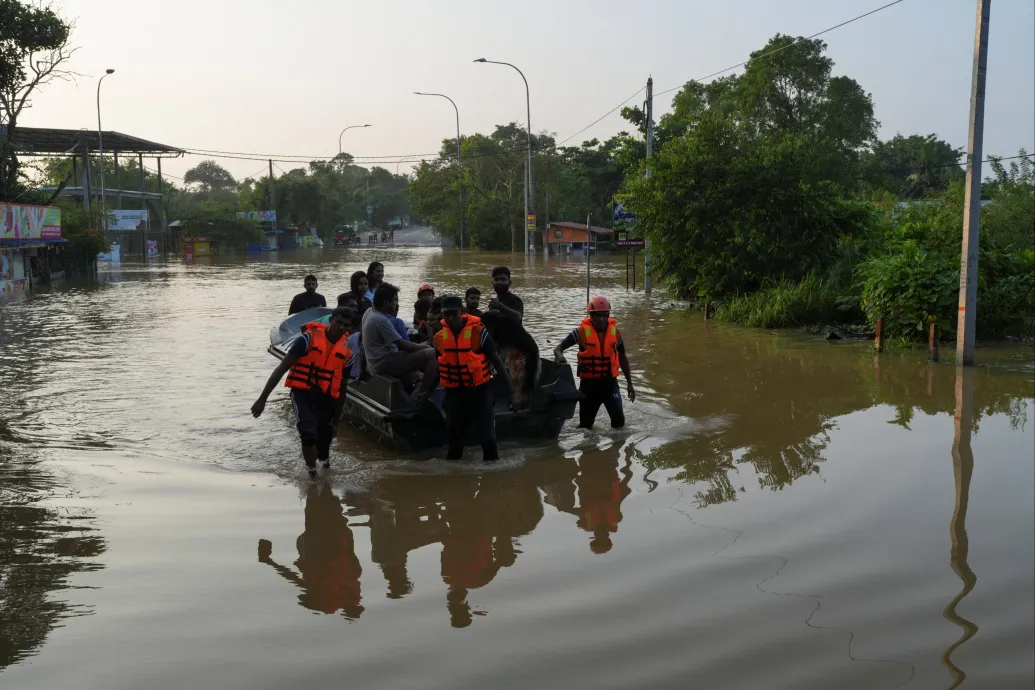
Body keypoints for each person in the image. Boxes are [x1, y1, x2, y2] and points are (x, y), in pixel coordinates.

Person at [252, 307, 355, 478]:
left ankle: (324, 473)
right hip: (302, 393)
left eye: (346, 325)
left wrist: (336, 421)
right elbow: (282, 368)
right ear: (330, 321)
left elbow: (342, 389)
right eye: (338, 323)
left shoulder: (347, 355)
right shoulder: (307, 339)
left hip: (326, 398)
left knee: (324, 444)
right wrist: (262, 399)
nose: (341, 328)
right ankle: (311, 475)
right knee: (308, 432)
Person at [434, 296, 516, 462]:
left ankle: (491, 479)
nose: (450, 318)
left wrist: (512, 393)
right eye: (446, 314)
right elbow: (440, 368)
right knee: (454, 444)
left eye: (453, 313)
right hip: (455, 392)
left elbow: (497, 362)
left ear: (461, 312)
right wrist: (424, 393)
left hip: (480, 390)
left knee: (488, 439)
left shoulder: (478, 332)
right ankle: (456, 481)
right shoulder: (440, 338)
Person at [552, 296, 636, 429]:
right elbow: (558, 348)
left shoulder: (616, 334)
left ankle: (615, 448)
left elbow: (623, 357)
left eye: (604, 316)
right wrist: (559, 356)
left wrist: (630, 384)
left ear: (608, 315)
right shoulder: (580, 333)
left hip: (610, 385)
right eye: (598, 316)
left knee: (619, 423)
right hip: (589, 387)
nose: (601, 320)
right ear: (591, 316)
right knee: (585, 427)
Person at [361, 283, 439, 404]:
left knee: (421, 377)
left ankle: (412, 401)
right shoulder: (380, 320)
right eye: (395, 300)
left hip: (375, 364)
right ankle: (423, 396)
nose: (397, 303)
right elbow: (405, 346)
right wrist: (425, 346)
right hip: (384, 363)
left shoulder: (369, 312)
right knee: (431, 353)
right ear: (386, 302)